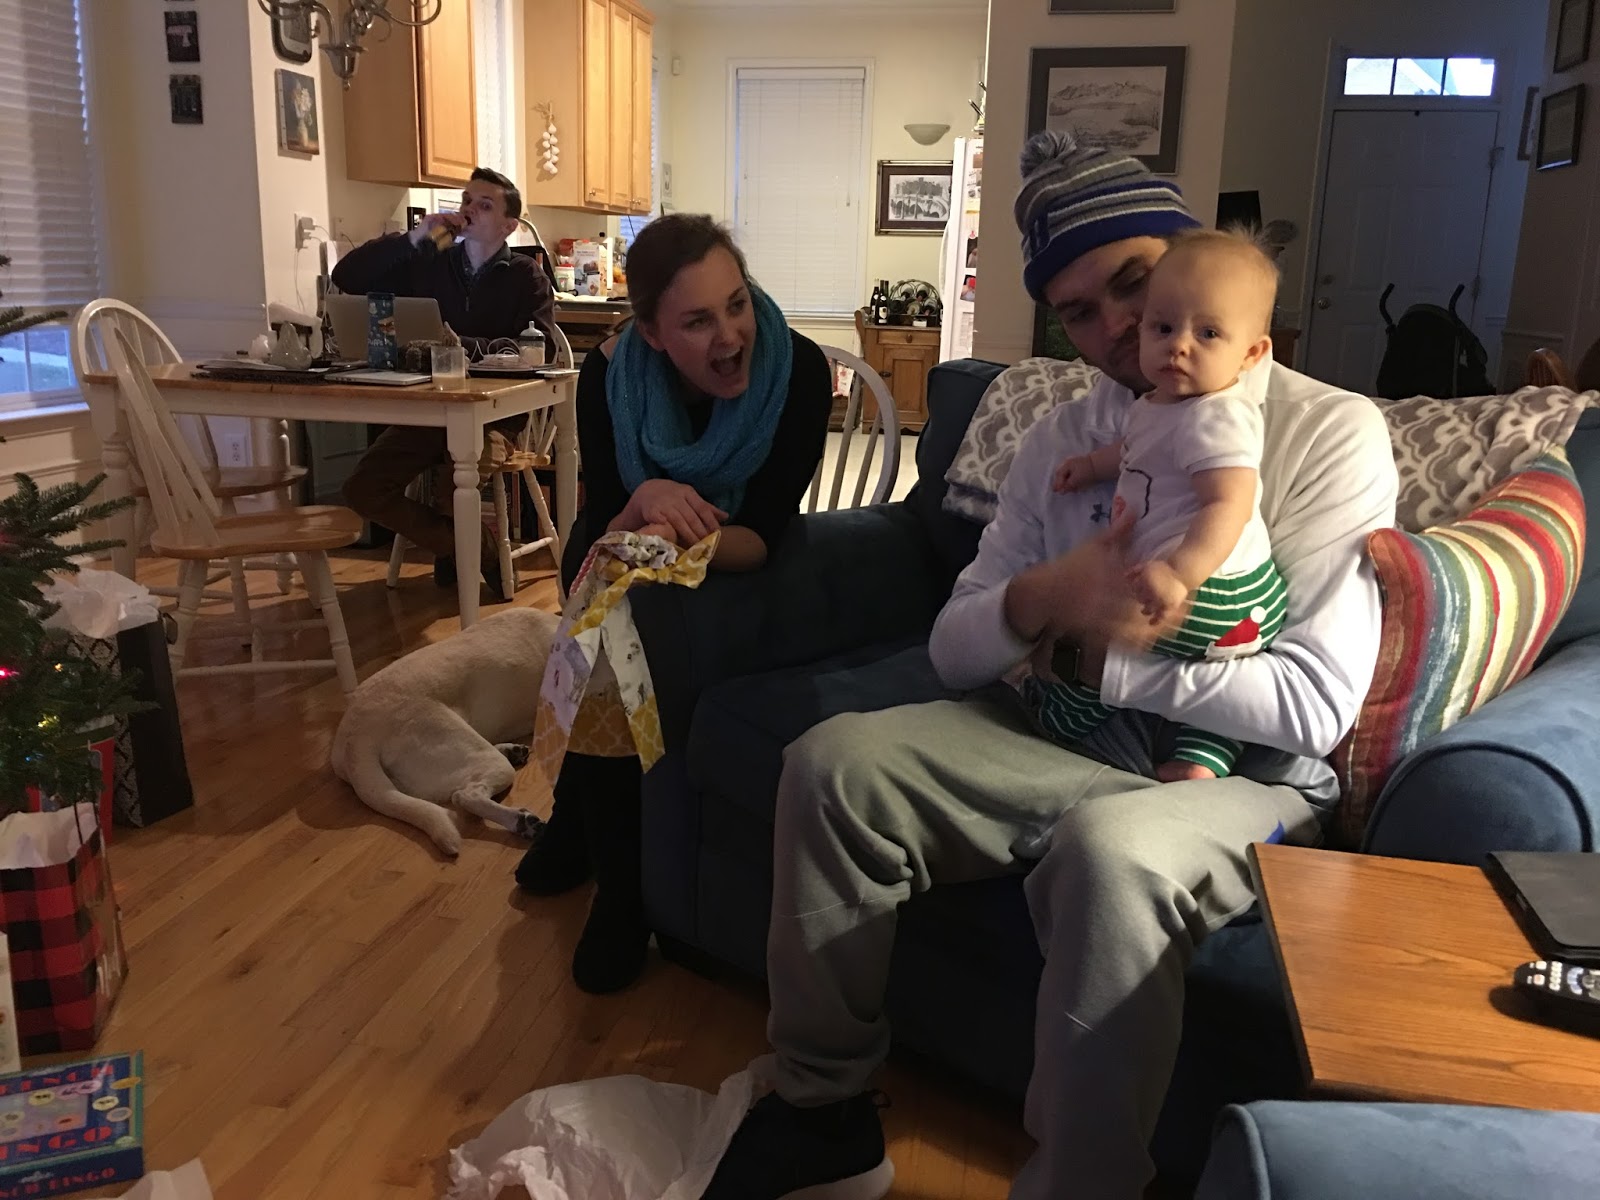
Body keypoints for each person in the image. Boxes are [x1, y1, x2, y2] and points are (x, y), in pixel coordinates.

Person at [697, 130, 1398, 1200]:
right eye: (1077, 310)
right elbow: (954, 646)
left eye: (1133, 282)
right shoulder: (1062, 437)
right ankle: (821, 1110)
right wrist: (1039, 599)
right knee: (832, 766)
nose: (1116, 330)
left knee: (1113, 852)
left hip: (1237, 774)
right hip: (1057, 734)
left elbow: (1310, 710)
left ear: (1188, 260)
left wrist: (1099, 657)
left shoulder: (1329, 434)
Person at [515, 213, 833, 996]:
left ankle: (613, 878)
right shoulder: (610, 373)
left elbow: (763, 533)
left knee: (610, 598)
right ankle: (597, 835)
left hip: (740, 560)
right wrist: (646, 502)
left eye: (737, 304)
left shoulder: (800, 372)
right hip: (633, 538)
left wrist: (665, 538)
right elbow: (608, 516)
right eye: (697, 321)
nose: (731, 336)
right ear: (651, 333)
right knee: (603, 590)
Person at [1043, 227, 1286, 783]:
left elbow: (1229, 503)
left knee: (1109, 631)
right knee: (1210, 669)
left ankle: (1061, 715)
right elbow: (1136, 449)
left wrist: (1179, 573)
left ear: (1251, 354)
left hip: (1216, 589)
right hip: (1229, 608)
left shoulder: (1218, 414)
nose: (1179, 345)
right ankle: (1202, 759)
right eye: (1163, 327)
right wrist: (1091, 467)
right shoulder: (1163, 403)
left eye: (1208, 333)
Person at [335, 167, 556, 592]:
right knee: (362, 489)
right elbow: (347, 278)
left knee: (455, 484)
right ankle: (477, 551)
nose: (470, 210)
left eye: (485, 205)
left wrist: (457, 345)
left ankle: (456, 551)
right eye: (467, 200)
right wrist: (415, 237)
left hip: (495, 416)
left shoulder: (525, 274)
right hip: (430, 410)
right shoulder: (432, 260)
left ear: (509, 226)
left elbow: (537, 349)